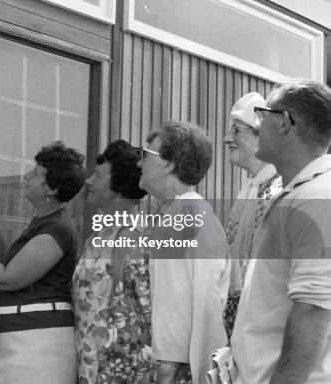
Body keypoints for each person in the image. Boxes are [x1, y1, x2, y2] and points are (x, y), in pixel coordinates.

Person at [0, 141, 86, 384]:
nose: (26, 176)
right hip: (25, 340)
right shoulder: (46, 222)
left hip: (39, 344)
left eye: (37, 173)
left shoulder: (56, 229)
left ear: (52, 188)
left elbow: (7, 279)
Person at [231, 80, 331, 384]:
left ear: (286, 122)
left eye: (263, 115)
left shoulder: (316, 198)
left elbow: (313, 312)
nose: (258, 125)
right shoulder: (301, 193)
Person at [137, 121, 230, 384]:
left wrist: (164, 372)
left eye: (145, 155)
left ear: (169, 164)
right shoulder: (195, 212)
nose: (138, 163)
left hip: (177, 371)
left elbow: (174, 305)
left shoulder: (180, 219)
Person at [72, 140, 151, 383]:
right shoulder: (104, 233)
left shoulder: (128, 235)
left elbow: (125, 309)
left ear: (117, 187)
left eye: (98, 176)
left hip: (109, 364)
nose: (89, 181)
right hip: (90, 356)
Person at [222, 92, 282, 336]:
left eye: (236, 130)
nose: (227, 138)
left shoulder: (276, 191)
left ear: (261, 136)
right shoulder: (250, 188)